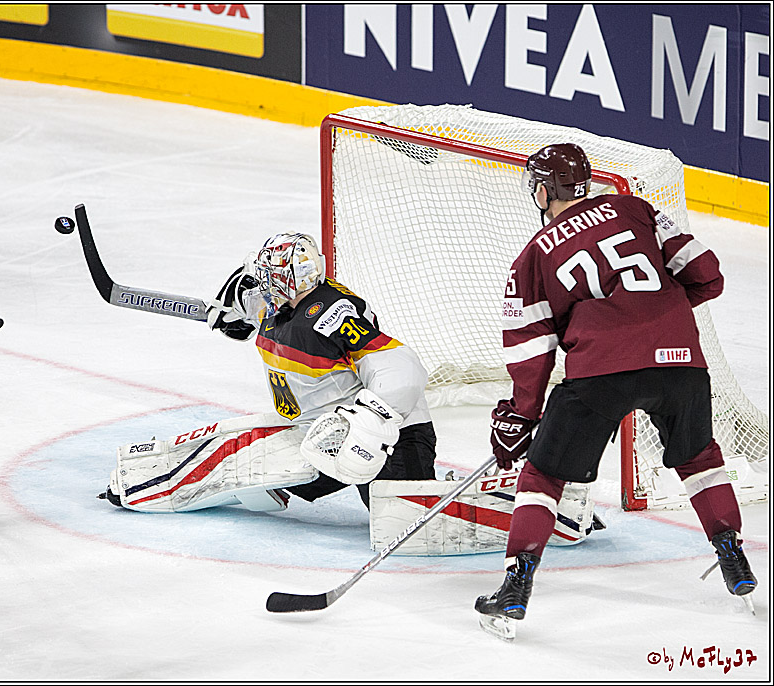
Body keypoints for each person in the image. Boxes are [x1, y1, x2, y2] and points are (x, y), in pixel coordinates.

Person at [474, 143, 757, 639]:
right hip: (681, 362)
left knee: (542, 474)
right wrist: (658, 315)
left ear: (542, 190)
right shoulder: (635, 208)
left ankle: (516, 585)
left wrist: (522, 413)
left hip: (601, 372)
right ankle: (732, 556)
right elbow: (706, 275)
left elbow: (532, 346)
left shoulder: (535, 254)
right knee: (699, 457)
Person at [102, 232, 437, 513]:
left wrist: (371, 419)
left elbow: (399, 363)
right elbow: (245, 303)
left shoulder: (333, 313)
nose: (261, 283)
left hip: (383, 436)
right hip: (316, 433)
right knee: (232, 455)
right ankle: (151, 481)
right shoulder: (273, 304)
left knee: (406, 516)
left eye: (268, 276)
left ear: (286, 279)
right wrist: (230, 305)